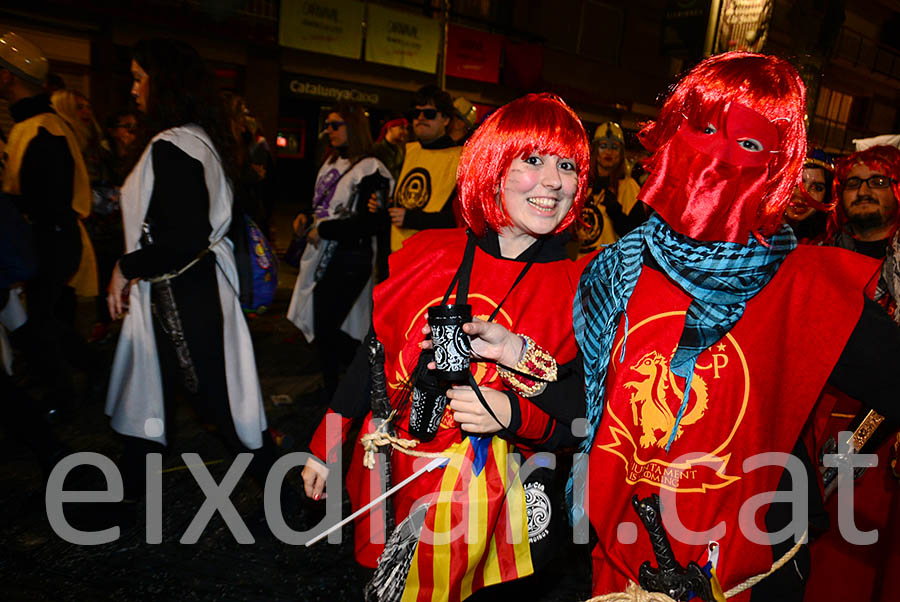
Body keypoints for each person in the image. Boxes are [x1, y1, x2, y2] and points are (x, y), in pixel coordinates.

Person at [572, 52, 900, 601]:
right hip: (620, 562)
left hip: (749, 566)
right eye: (703, 129)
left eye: (748, 144)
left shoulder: (802, 285)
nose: (718, 158)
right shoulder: (615, 270)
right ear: (674, 134)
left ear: (776, 166)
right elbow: (583, 398)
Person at [301, 93, 590, 601]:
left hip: (510, 502)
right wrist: (325, 446)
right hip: (405, 478)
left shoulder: (586, 288)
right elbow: (374, 356)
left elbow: (588, 413)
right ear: (493, 166)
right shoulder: (429, 254)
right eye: (532, 159)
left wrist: (513, 412)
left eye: (566, 165)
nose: (552, 181)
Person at [105, 38, 274, 503]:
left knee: (219, 405)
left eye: (140, 78)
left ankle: (295, 494)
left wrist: (125, 266)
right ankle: (126, 498)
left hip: (183, 293)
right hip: (187, 290)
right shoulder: (196, 138)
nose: (134, 89)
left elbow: (182, 238)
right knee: (159, 393)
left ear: (164, 83)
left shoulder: (174, 144)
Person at [804, 144, 900, 602]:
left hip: (886, 448)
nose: (864, 191)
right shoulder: (816, 262)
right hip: (813, 423)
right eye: (854, 183)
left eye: (877, 181)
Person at [0, 31, 98, 412]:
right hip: (45, 238)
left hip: (51, 240)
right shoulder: (34, 125)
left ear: (8, 76)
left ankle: (68, 390)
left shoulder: (44, 128)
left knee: (41, 320)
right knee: (41, 318)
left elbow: (48, 202)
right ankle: (72, 379)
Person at [286, 103, 393, 401]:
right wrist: (305, 216)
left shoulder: (373, 169)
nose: (328, 131)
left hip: (350, 258)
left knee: (330, 326)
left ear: (353, 127)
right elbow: (323, 203)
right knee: (331, 326)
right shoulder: (331, 162)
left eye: (336, 125)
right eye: (328, 125)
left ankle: (350, 388)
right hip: (324, 254)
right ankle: (343, 386)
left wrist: (326, 230)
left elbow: (369, 222)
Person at [389, 85, 462, 253]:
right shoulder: (407, 152)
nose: (420, 118)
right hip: (397, 255)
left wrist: (414, 219)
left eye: (429, 113)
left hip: (433, 259)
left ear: (446, 119)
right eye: (415, 114)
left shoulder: (462, 158)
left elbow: (461, 218)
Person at [573, 122, 643, 256]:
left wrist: (616, 212)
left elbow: (635, 235)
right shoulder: (584, 185)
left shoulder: (628, 186)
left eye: (614, 147)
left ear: (621, 152)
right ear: (595, 150)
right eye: (603, 146)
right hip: (583, 263)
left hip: (610, 266)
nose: (609, 152)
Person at [784, 148, 833, 243]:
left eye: (817, 188)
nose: (803, 195)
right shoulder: (751, 234)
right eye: (795, 183)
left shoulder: (828, 242)